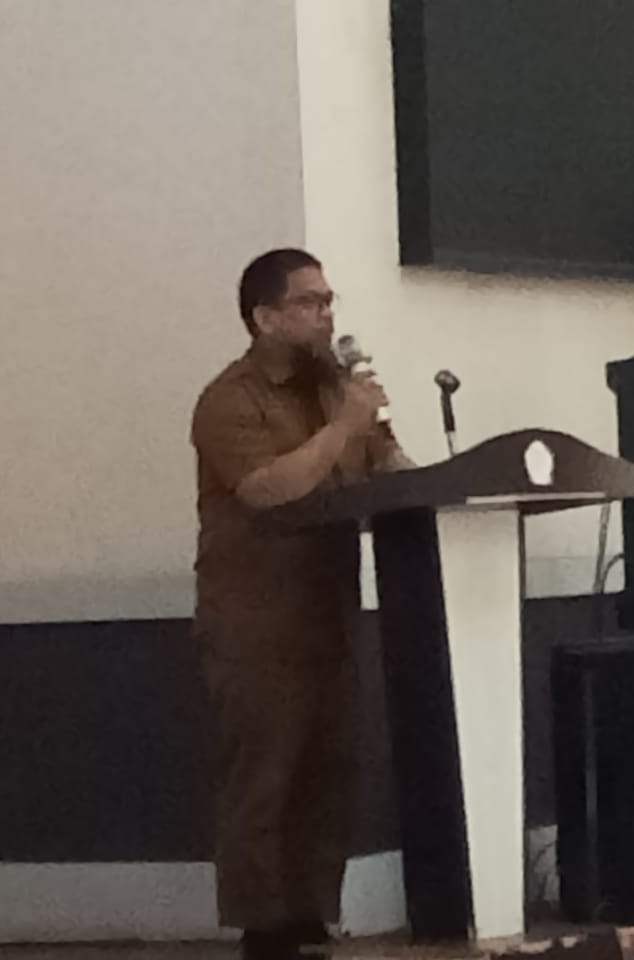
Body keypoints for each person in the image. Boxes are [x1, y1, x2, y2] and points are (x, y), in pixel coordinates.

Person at [190, 249, 411, 960]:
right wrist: (344, 427)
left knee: (330, 769)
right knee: (266, 776)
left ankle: (313, 918)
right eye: (309, 302)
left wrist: (434, 479)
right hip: (255, 623)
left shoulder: (337, 389)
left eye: (329, 300)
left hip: (331, 614)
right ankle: (264, 929)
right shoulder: (229, 400)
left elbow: (391, 471)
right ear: (265, 317)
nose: (326, 315)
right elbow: (267, 490)